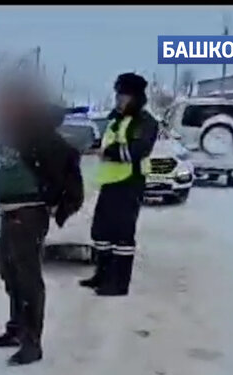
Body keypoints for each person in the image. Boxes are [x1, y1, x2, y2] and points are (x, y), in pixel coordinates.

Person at [0, 78, 85, 365]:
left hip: (28, 214)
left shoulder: (40, 136)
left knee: (27, 278)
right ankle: (16, 329)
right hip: (10, 213)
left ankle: (32, 342)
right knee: (10, 274)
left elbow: (70, 168)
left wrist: (56, 205)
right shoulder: (16, 134)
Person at [80, 72, 159, 296]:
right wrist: (94, 147)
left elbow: (136, 150)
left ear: (135, 98)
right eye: (118, 95)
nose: (119, 100)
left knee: (122, 235)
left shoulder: (145, 122)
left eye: (123, 96)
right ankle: (102, 275)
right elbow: (107, 143)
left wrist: (107, 152)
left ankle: (118, 283)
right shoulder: (116, 120)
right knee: (101, 232)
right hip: (110, 183)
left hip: (129, 182)